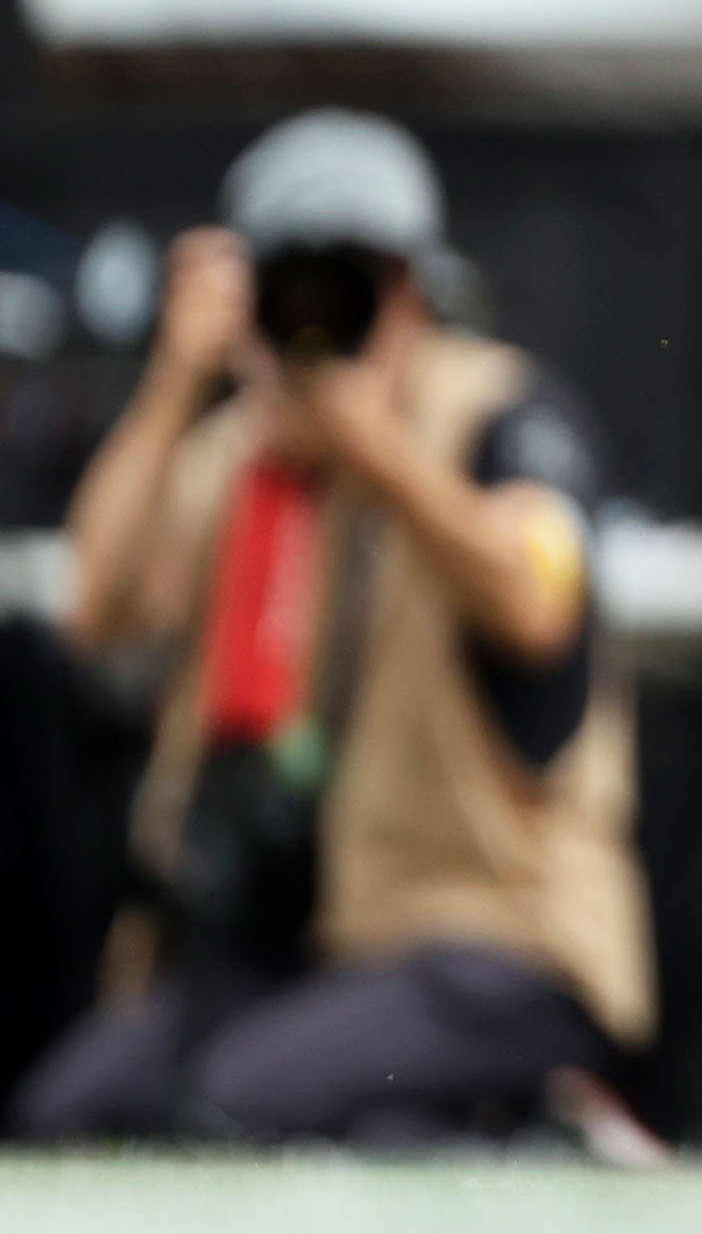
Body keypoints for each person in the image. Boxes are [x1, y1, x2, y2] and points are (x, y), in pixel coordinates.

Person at [7, 112, 649, 1144]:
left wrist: (377, 452)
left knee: (237, 1106)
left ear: (412, 291)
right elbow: (98, 608)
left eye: (349, 282)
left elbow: (537, 604)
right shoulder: (239, 451)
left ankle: (538, 1139)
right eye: (290, 284)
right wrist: (179, 377)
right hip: (306, 946)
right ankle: (485, 1126)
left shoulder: (501, 410)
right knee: (73, 1114)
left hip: (492, 932)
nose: (318, 319)